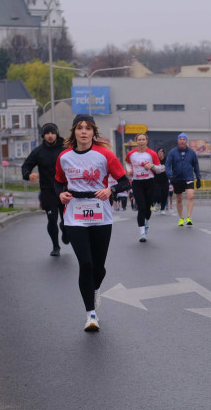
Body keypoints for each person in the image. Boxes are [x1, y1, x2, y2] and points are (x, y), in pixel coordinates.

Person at [56, 114, 131, 331]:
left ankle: (95, 289)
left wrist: (111, 190)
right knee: (86, 264)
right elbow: (58, 182)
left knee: (98, 267)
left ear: (93, 132)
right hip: (74, 214)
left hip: (101, 213)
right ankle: (91, 314)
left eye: (88, 128)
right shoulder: (64, 157)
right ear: (74, 132)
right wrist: (61, 194)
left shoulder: (105, 155)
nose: (84, 132)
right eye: (80, 128)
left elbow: (125, 181)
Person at [21, 122, 67, 256]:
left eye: (53, 133)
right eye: (47, 133)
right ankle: (56, 246)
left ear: (56, 134)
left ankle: (65, 230)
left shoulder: (65, 148)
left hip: (65, 189)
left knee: (67, 221)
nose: (50, 136)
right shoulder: (38, 152)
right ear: (43, 135)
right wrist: (28, 175)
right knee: (52, 220)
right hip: (48, 191)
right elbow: (26, 166)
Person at [126, 133, 161, 242]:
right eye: (139, 139)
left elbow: (160, 169)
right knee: (141, 207)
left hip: (149, 182)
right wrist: (129, 171)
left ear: (146, 141)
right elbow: (127, 163)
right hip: (137, 183)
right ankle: (142, 233)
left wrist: (152, 166)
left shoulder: (152, 154)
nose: (141, 141)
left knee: (147, 207)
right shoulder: (131, 154)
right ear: (136, 141)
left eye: (143, 139)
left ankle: (146, 222)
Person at [166, 132, 201, 226]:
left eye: (184, 139)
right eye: (180, 139)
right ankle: (181, 218)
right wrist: (170, 176)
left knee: (191, 196)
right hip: (177, 178)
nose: (182, 141)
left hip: (189, 177)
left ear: (186, 141)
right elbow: (167, 165)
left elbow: (196, 165)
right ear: (177, 141)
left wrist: (198, 178)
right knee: (179, 198)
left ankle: (189, 217)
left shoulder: (192, 152)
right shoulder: (172, 152)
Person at [153, 147, 170, 215]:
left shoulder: (167, 160)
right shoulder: (155, 160)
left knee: (165, 194)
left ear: (163, 153)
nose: (160, 154)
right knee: (157, 193)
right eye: (158, 153)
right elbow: (152, 167)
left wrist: (161, 170)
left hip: (165, 179)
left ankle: (162, 208)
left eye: (161, 152)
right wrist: (156, 170)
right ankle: (157, 202)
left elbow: (168, 167)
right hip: (156, 180)